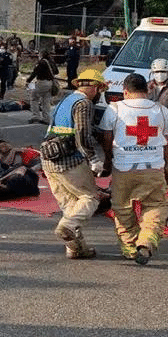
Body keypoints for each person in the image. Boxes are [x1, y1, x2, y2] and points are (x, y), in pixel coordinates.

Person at [99, 73, 168, 264]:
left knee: (122, 207)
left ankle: (130, 247)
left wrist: (108, 161)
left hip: (124, 167)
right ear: (148, 90)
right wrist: (166, 166)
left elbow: (106, 138)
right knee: (156, 205)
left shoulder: (114, 109)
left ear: (125, 91)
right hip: (153, 168)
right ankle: (148, 239)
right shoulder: (161, 110)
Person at [40, 68, 108, 259]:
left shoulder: (66, 99)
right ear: (95, 87)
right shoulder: (84, 103)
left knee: (71, 206)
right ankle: (67, 227)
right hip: (69, 160)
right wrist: (93, 159)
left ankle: (76, 248)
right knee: (90, 198)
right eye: (100, 89)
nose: (99, 93)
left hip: (48, 158)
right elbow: (82, 133)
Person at [25, 50, 59, 124]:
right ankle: (46, 118)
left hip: (42, 82)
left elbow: (35, 72)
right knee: (46, 100)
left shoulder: (41, 62)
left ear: (41, 55)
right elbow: (56, 71)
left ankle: (35, 116)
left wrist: (28, 80)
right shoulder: (51, 62)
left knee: (34, 97)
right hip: (50, 83)